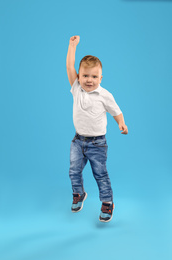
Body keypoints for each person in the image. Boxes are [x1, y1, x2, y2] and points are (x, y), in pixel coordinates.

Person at [66, 35, 128, 222]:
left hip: (97, 143)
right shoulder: (76, 88)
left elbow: (116, 111)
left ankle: (107, 203)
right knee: (73, 170)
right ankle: (79, 194)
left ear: (101, 77)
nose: (89, 80)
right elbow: (69, 66)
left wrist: (121, 123)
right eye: (85, 75)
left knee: (100, 173)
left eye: (94, 76)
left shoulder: (104, 95)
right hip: (78, 141)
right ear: (79, 76)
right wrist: (72, 46)